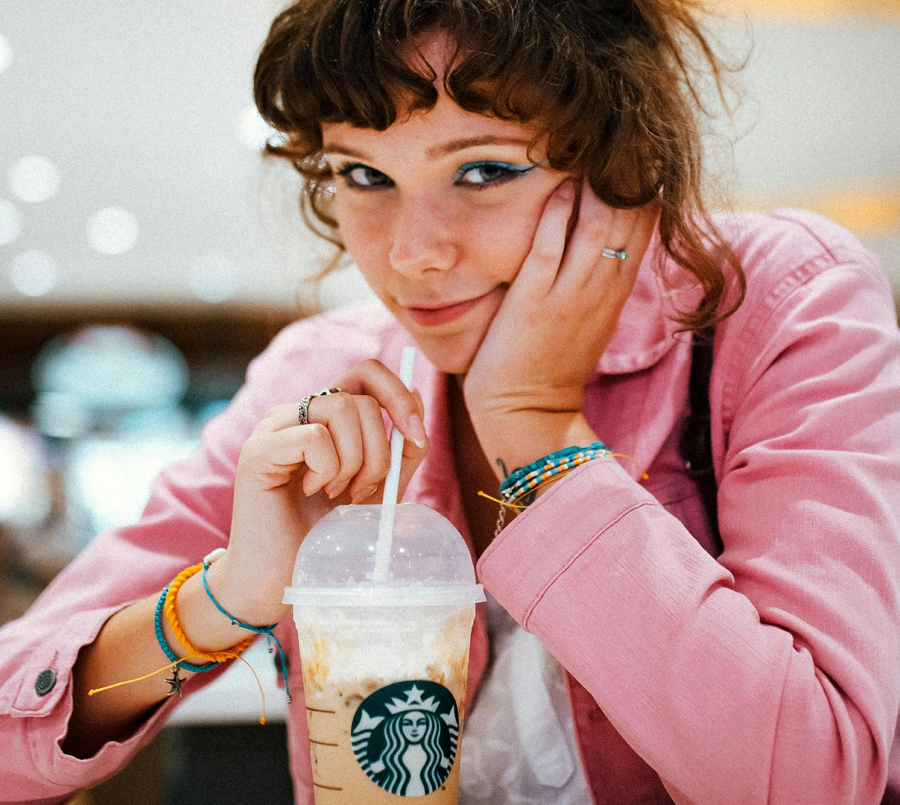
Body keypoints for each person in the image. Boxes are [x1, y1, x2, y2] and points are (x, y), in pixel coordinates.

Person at [2, 0, 900, 802]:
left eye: (482, 172)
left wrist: (536, 426)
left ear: (620, 156)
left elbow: (818, 778)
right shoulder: (321, 376)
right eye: (361, 175)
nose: (412, 255)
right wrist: (228, 596)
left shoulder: (773, 307)